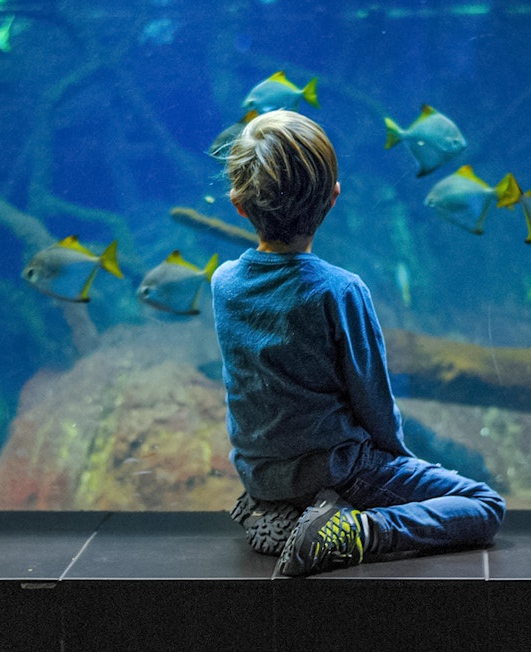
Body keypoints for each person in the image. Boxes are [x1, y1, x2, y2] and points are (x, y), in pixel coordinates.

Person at [211, 110, 505, 577]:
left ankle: (278, 513)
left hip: (261, 474)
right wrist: (397, 457)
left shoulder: (224, 282)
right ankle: (357, 531)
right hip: (338, 470)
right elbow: (373, 397)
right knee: (483, 504)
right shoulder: (338, 290)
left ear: (239, 205)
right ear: (333, 199)